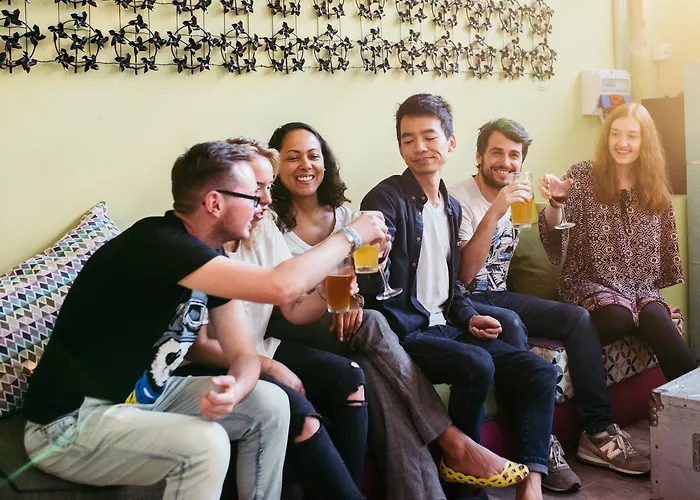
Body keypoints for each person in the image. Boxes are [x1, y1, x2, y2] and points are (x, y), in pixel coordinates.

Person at [22, 141, 388, 500]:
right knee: (207, 444)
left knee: (272, 403)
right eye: (252, 195)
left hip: (144, 398)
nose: (262, 204)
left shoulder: (210, 257)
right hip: (68, 422)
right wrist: (352, 235)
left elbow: (244, 354)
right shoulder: (157, 244)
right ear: (215, 203)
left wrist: (237, 389)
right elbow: (280, 287)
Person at [268, 121, 522, 500]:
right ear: (275, 167)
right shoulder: (269, 223)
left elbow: (362, 281)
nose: (305, 165)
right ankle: (452, 440)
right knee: (373, 321)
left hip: (345, 329)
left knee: (374, 377)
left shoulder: (345, 216)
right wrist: (349, 300)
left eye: (313, 156)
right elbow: (284, 298)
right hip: (296, 327)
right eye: (293, 157)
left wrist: (358, 292)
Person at [359, 94, 556, 500]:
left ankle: (532, 481)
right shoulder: (386, 198)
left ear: (450, 143)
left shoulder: (450, 207)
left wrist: (468, 317)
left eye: (429, 137)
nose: (419, 147)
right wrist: (376, 255)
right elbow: (375, 279)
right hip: (407, 332)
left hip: (446, 326)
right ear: (400, 147)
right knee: (476, 363)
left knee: (540, 372)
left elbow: (454, 287)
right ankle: (464, 480)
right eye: (408, 139)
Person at [450, 118, 650, 491]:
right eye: (497, 153)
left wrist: (556, 202)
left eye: (514, 156)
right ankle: (539, 447)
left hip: (500, 293)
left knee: (577, 317)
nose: (506, 162)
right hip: (465, 299)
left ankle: (597, 431)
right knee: (511, 324)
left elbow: (553, 245)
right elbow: (463, 274)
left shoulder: (516, 195)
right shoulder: (459, 198)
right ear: (478, 156)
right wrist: (495, 210)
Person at [183, 137, 367, 500]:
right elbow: (198, 346)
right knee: (300, 414)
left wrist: (328, 291)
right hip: (216, 360)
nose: (267, 200)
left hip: (257, 348)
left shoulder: (263, 226)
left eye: (269, 187)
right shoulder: (199, 247)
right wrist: (269, 366)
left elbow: (294, 307)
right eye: (257, 190)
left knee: (350, 378)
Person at [538, 102, 697, 385]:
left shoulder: (654, 184)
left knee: (656, 317)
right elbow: (554, 230)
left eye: (632, 136)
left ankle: (691, 399)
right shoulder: (582, 175)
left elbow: (663, 249)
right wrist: (556, 202)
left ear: (645, 141)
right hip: (589, 283)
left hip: (639, 288)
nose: (622, 143)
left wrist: (653, 301)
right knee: (618, 316)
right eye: (615, 134)